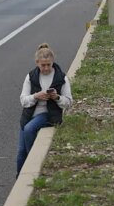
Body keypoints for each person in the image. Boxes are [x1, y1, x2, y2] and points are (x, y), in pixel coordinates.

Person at [17, 44, 73, 176]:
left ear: (52, 61)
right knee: (20, 152)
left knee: (30, 129)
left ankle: (34, 162)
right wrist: (36, 96)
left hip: (48, 113)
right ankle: (20, 177)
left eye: (49, 64)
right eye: (43, 65)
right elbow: (23, 100)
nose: (46, 68)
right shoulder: (30, 76)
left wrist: (57, 97)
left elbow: (69, 102)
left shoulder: (61, 78)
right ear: (37, 63)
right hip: (29, 113)